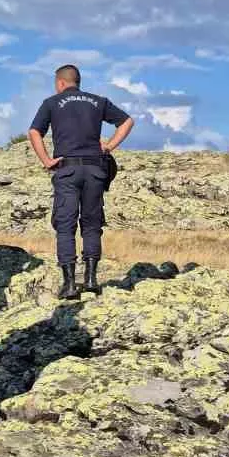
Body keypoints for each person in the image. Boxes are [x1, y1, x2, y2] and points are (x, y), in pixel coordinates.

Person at [28, 64, 134, 299]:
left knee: (65, 225)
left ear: (60, 83)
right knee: (92, 223)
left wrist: (46, 160)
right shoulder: (98, 101)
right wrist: (108, 146)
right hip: (95, 169)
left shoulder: (51, 103)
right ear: (78, 81)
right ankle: (91, 280)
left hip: (67, 170)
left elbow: (34, 132)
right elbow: (127, 122)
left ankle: (69, 285)